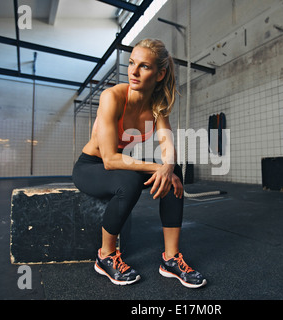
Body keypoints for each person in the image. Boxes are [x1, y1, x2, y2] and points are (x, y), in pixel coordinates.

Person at [72, 39, 206, 288]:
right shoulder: (112, 96)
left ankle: (171, 258)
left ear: (160, 74)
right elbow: (111, 160)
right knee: (134, 179)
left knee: (173, 169)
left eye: (143, 66)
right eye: (132, 63)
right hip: (91, 166)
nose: (133, 71)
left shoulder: (157, 105)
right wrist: (160, 167)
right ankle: (106, 256)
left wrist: (168, 167)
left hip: (117, 165)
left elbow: (167, 145)